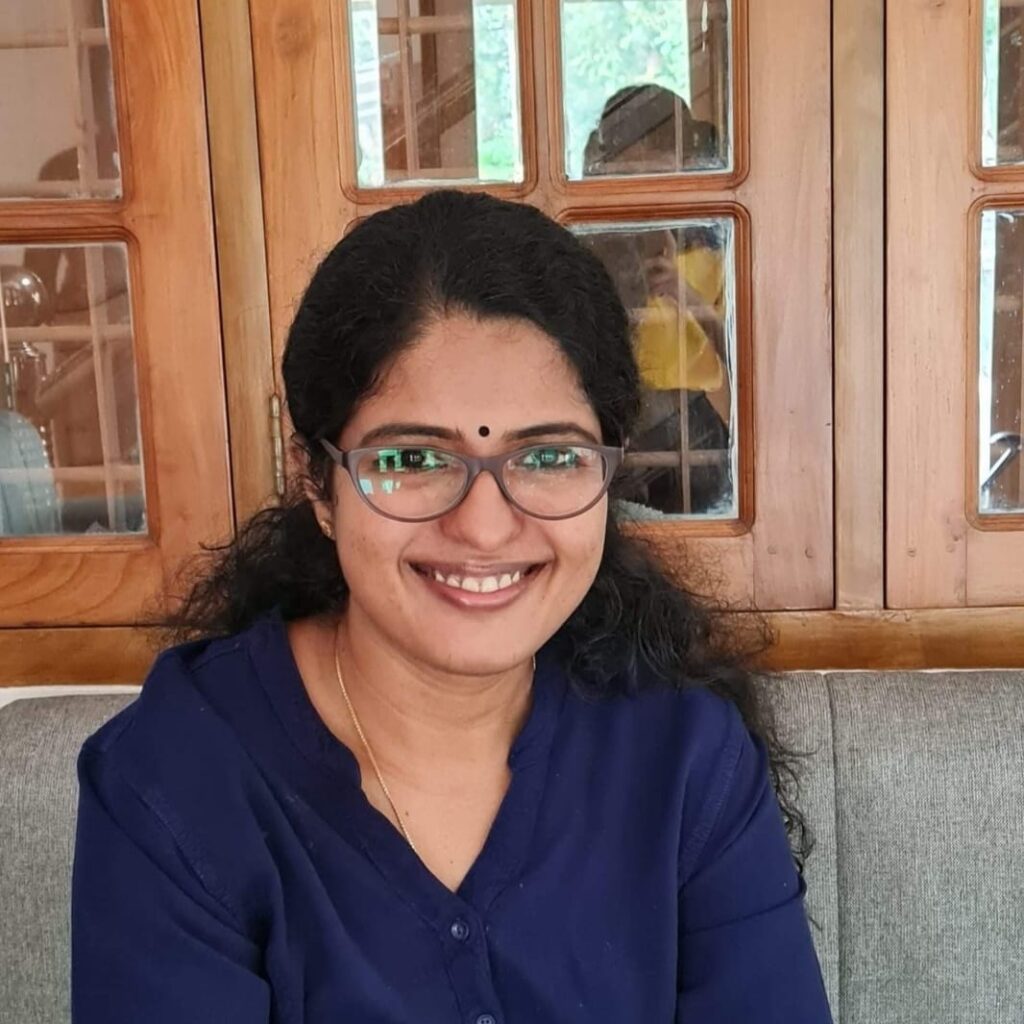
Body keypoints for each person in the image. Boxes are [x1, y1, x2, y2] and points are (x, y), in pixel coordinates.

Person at [71, 190, 832, 1022]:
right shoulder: (177, 777)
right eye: (411, 458)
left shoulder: (684, 758)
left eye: (549, 457)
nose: (483, 527)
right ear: (316, 484)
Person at [582, 84, 732, 515]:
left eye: (660, 159)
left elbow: (741, 357)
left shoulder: (716, 242)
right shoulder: (596, 241)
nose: (648, 179)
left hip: (695, 423)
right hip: (622, 417)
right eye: (631, 169)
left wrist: (686, 296)